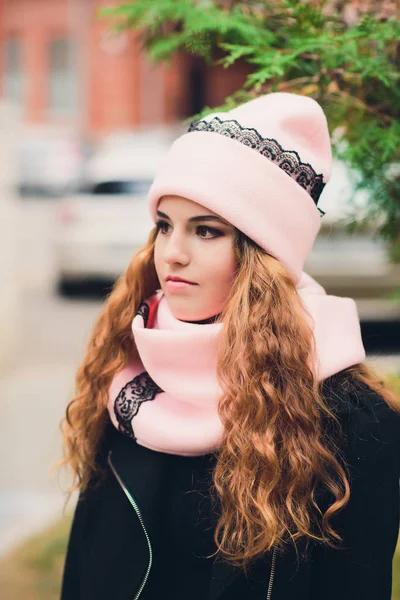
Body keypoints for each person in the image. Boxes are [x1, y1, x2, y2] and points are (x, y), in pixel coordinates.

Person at [59, 92, 400, 600]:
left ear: (263, 255)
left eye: (207, 230)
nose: (171, 254)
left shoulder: (352, 421)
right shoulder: (127, 379)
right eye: (164, 225)